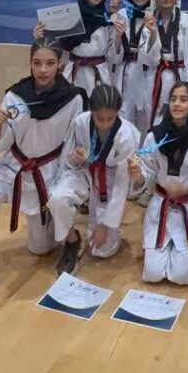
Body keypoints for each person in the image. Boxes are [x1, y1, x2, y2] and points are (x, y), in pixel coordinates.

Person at [0, 39, 85, 297]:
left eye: (49, 63)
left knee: (40, 248)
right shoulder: (15, 96)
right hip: (11, 169)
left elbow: (74, 141)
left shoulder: (73, 98)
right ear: (30, 64)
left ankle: (71, 238)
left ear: (59, 65)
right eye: (37, 63)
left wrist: (74, 161)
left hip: (48, 173)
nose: (43, 70)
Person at [48, 84, 140, 274]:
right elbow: (67, 161)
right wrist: (74, 158)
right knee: (57, 198)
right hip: (84, 170)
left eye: (110, 118)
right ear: (91, 112)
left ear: (118, 113)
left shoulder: (127, 136)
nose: (104, 124)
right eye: (99, 118)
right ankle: (72, 241)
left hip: (111, 179)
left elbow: (122, 184)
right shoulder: (80, 122)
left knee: (101, 250)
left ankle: (105, 226)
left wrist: (105, 225)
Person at [128, 82, 188, 285]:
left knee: (180, 277)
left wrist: (186, 188)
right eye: (174, 99)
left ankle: (187, 251)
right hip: (161, 206)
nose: (177, 104)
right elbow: (147, 172)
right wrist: (138, 175)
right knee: (153, 274)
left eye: (183, 100)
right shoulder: (155, 136)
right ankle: (159, 251)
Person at [34, 0, 125, 100]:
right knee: (71, 108)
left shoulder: (108, 20)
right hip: (73, 75)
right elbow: (59, 51)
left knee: (97, 110)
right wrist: (41, 39)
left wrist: (118, 37)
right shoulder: (71, 17)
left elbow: (114, 59)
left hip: (99, 77)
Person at [139, 0, 188, 126]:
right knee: (155, 120)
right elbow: (147, 60)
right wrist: (153, 32)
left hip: (180, 77)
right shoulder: (150, 21)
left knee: (181, 120)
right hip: (156, 77)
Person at [110, 0, 153, 137]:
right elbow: (114, 53)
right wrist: (118, 36)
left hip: (147, 71)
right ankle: (124, 149)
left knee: (146, 115)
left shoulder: (155, 15)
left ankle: (144, 151)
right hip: (125, 70)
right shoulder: (122, 14)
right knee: (123, 114)